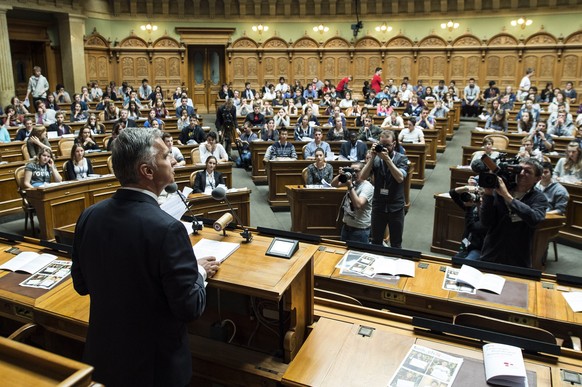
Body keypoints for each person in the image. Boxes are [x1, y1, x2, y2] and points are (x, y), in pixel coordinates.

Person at [72, 127, 217, 386]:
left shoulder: (89, 216)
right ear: (147, 171)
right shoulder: (168, 229)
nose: (173, 159)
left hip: (103, 360)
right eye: (165, 156)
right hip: (154, 370)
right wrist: (199, 272)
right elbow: (189, 307)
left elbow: (81, 285)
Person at [479, 158, 548, 267]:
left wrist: (508, 197)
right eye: (520, 170)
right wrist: (488, 194)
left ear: (537, 178)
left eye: (527, 172)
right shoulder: (500, 190)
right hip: (492, 252)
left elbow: (535, 219)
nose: (521, 173)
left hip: (518, 257)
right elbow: (486, 222)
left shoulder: (539, 198)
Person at [360, 130, 409, 247]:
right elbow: (362, 176)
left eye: (387, 145)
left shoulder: (402, 158)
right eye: (382, 145)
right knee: (376, 241)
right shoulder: (376, 159)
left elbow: (400, 178)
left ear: (394, 144)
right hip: (379, 206)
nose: (384, 148)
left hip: (395, 207)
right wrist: (372, 158)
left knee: (396, 242)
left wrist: (387, 159)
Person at [330, 162, 374, 243]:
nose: (354, 174)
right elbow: (333, 184)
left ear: (363, 171)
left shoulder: (367, 187)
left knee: (357, 254)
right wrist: (341, 175)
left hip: (360, 230)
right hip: (346, 227)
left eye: (356, 171)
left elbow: (358, 205)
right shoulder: (352, 181)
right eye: (352, 171)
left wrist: (350, 187)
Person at [449, 179, 486, 260]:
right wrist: (467, 188)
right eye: (479, 195)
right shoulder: (473, 207)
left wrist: (470, 208)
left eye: (483, 196)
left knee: (465, 264)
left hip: (478, 249)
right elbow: (453, 193)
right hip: (465, 244)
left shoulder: (489, 213)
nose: (480, 198)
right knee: (455, 260)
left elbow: (473, 227)